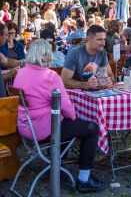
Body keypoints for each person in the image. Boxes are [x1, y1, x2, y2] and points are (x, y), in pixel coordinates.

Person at [14, 39, 105, 192]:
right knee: (91, 128)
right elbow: (68, 109)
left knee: (66, 123)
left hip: (24, 127)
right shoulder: (50, 76)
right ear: (46, 55)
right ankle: (84, 178)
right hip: (44, 130)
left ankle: (58, 162)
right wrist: (73, 116)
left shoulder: (20, 73)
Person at [61, 25, 113, 90]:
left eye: (104, 40)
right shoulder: (75, 53)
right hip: (76, 96)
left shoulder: (102, 52)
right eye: (99, 40)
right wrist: (85, 85)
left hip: (95, 95)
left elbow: (108, 75)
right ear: (88, 39)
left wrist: (108, 82)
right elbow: (64, 81)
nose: (103, 43)